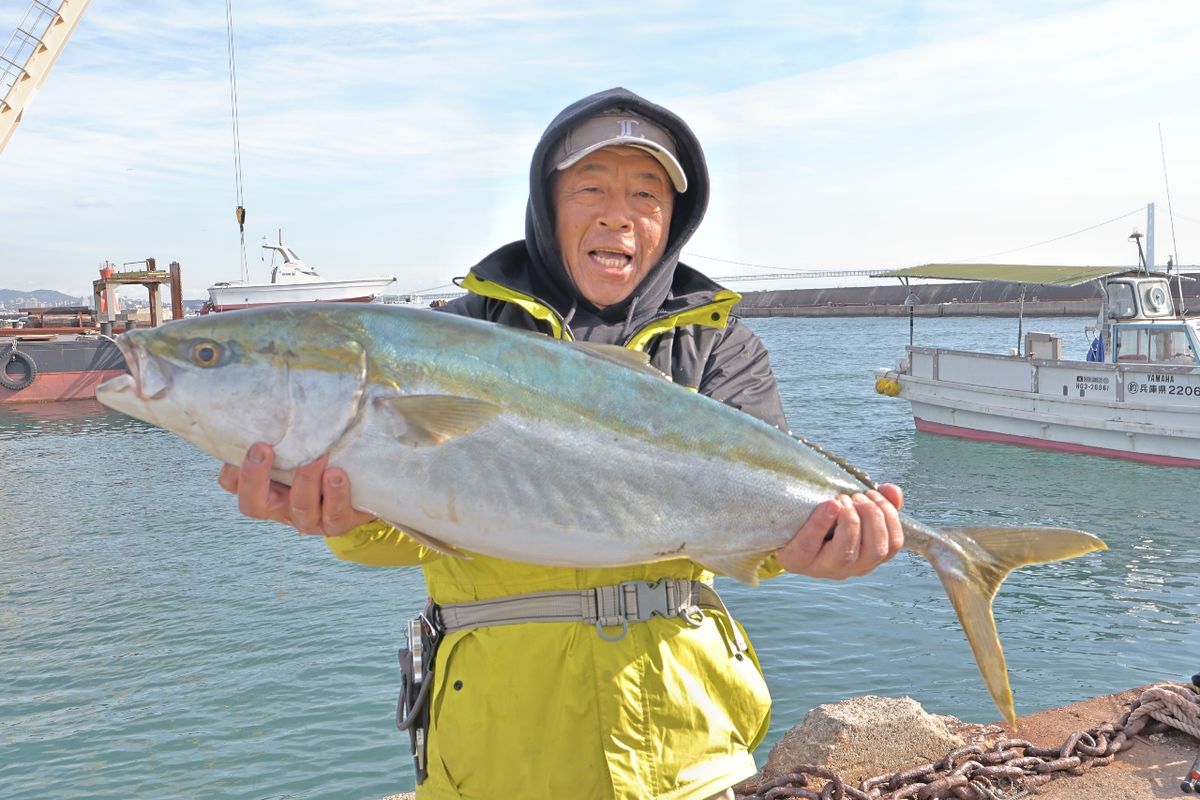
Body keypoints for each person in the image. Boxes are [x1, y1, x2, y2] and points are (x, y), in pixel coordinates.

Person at [218, 87, 905, 800]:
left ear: (674, 218)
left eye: (646, 192)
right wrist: (348, 522)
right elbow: (412, 530)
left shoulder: (717, 347)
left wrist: (811, 550)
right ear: (546, 205)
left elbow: (755, 526)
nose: (619, 213)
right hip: (497, 756)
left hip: (684, 757)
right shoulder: (460, 337)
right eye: (591, 187)